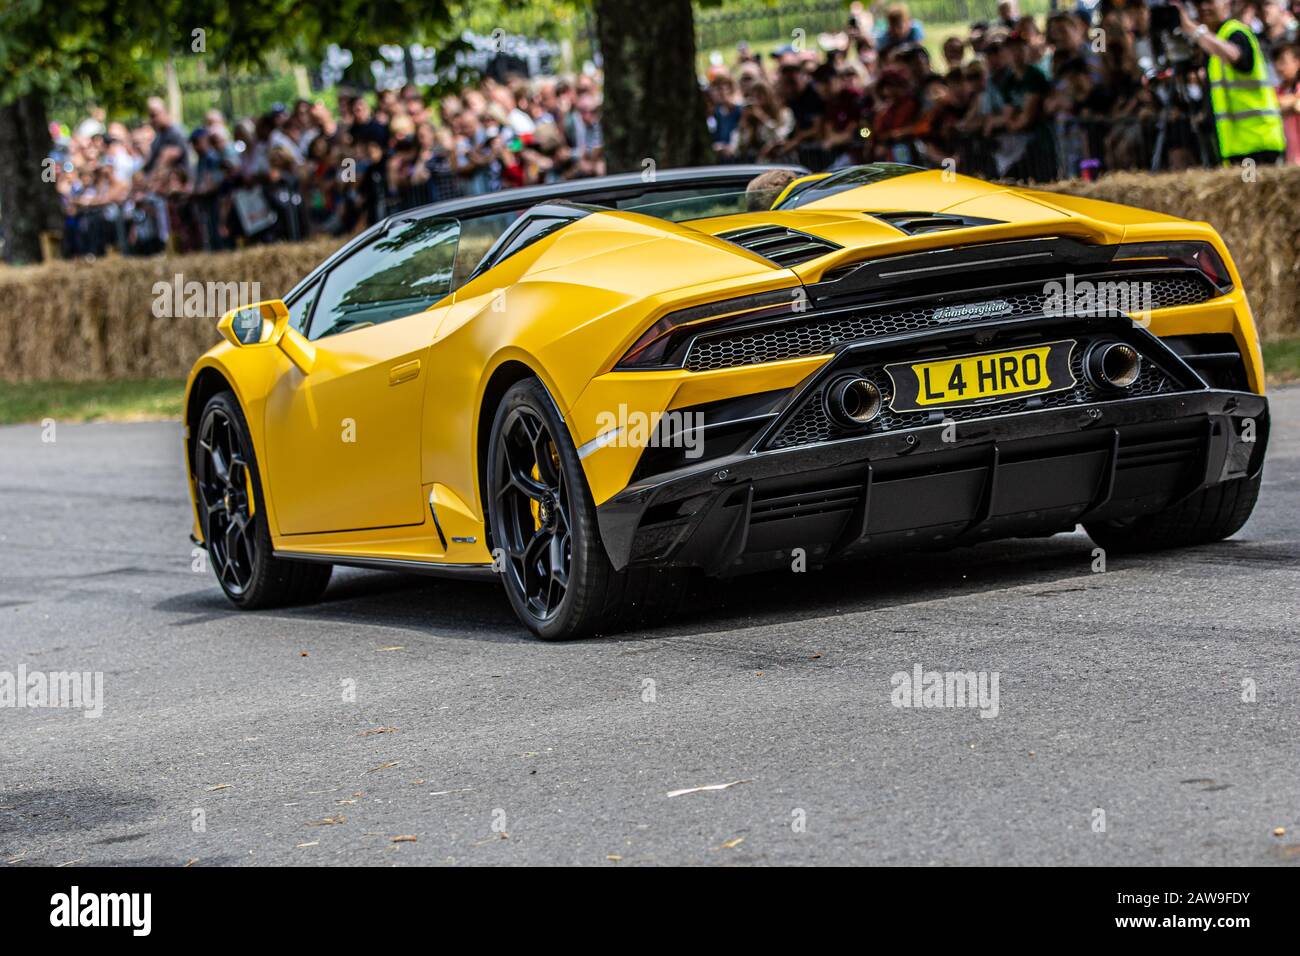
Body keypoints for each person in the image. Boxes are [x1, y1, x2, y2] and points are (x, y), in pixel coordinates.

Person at [1181, 0, 1287, 165]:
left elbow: (1234, 55)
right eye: (1199, 4)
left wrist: (1195, 31)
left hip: (1256, 144)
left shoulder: (1235, 32)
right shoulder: (1217, 37)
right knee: (1244, 190)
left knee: (1253, 190)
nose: (1204, 7)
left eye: (1210, 2)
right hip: (1237, 146)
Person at [1273, 42, 1300, 163]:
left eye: (1283, 62)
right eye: (1277, 62)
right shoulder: (1276, 90)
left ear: (1297, 62)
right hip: (1287, 160)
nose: (1279, 67)